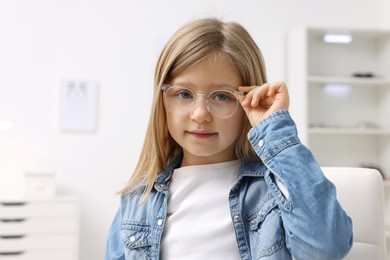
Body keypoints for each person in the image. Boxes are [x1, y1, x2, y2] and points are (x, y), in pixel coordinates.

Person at [104, 17, 353, 260]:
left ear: (249, 99)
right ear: (162, 100)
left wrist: (273, 128)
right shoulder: (138, 199)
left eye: (222, 96)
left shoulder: (275, 191)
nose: (200, 114)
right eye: (184, 94)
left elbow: (328, 248)